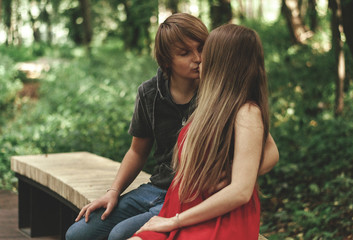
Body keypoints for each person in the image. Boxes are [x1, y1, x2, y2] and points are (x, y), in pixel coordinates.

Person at [66, 14, 278, 240]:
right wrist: (113, 192)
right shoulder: (150, 93)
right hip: (157, 187)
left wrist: (232, 172)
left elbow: (268, 151)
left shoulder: (219, 94)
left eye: (201, 49)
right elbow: (137, 151)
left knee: (120, 235)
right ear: (166, 61)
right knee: (77, 235)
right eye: (185, 53)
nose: (197, 58)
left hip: (194, 194)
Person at [130, 23, 270, 240]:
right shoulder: (207, 103)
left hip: (214, 219)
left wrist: (174, 220)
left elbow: (242, 190)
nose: (198, 59)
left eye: (205, 52)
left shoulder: (246, 112)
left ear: (221, 63)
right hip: (181, 208)